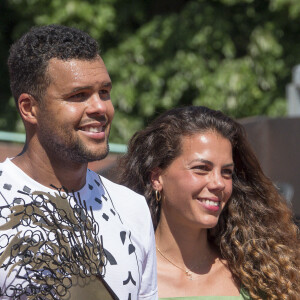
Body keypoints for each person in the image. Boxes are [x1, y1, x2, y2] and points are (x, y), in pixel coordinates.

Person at [0, 24, 158, 300]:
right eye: (78, 96)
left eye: (104, 92)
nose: (100, 108)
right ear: (29, 108)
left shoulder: (131, 209)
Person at [119, 106, 300, 299]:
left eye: (226, 172)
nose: (219, 183)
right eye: (201, 168)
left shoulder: (262, 274)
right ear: (157, 178)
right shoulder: (123, 274)